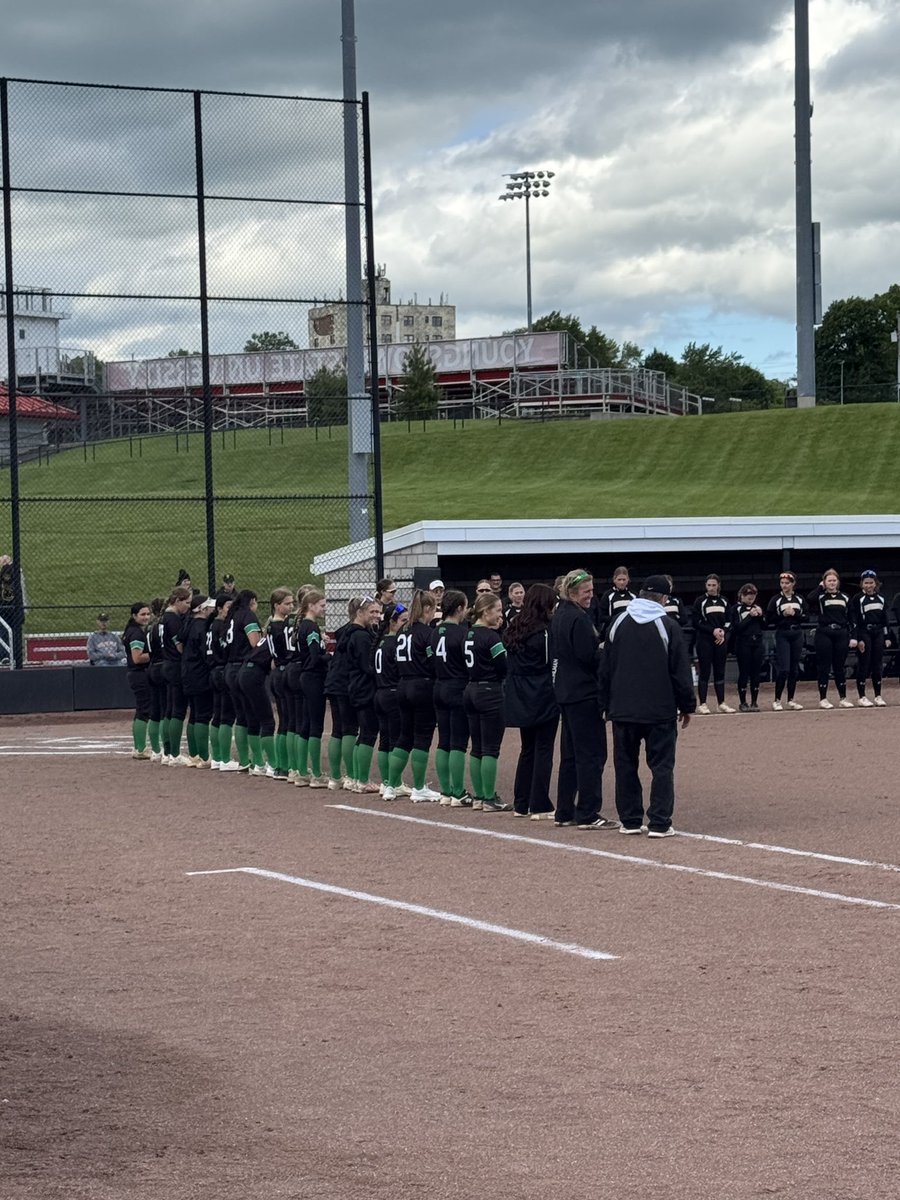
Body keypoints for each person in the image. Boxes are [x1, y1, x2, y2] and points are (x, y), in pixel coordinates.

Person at [598, 574, 695, 838]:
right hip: (659, 711)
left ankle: (630, 820)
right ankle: (660, 822)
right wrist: (688, 705)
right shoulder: (668, 626)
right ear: (664, 599)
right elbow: (680, 671)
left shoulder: (617, 622)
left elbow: (605, 668)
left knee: (625, 765)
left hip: (623, 709)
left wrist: (604, 704)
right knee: (662, 766)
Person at [550, 568, 618, 830]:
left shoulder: (560, 615)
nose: (591, 595)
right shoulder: (577, 618)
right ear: (573, 592)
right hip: (582, 693)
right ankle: (588, 812)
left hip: (566, 692)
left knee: (570, 754)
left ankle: (565, 810)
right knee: (591, 754)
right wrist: (603, 652)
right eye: (586, 591)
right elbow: (588, 657)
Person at [503, 583, 559, 819]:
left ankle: (521, 802)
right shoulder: (543, 632)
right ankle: (539, 803)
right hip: (542, 692)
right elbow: (551, 664)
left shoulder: (515, 627)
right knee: (543, 749)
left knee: (528, 749)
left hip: (520, 692)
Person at [388, 589, 440, 802]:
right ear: (427, 609)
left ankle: (391, 785)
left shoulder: (402, 631)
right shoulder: (427, 633)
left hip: (403, 684)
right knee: (422, 738)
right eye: (434, 609)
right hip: (422, 685)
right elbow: (432, 662)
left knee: (404, 736)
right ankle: (419, 787)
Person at [464, 592, 511, 812]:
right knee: (491, 748)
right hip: (489, 691)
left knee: (477, 747)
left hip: (471, 688)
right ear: (486, 611)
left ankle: (479, 795)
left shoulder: (469, 633)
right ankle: (489, 797)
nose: (500, 614)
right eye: (498, 610)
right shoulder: (491, 637)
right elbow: (503, 666)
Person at [430, 589, 470, 805]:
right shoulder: (461, 632)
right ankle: (458, 791)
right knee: (458, 743)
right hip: (457, 687)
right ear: (459, 608)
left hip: (439, 686)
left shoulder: (434, 632)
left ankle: (445, 791)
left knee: (443, 740)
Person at [345, 596, 383, 793]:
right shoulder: (360, 636)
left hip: (358, 687)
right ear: (360, 613)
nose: (376, 616)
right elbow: (367, 666)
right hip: (364, 688)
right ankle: (362, 779)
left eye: (378, 612)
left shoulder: (356, 633)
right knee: (368, 733)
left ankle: (358, 777)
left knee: (364, 734)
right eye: (372, 612)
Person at [295, 588, 329, 788]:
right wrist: (329, 656)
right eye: (322, 605)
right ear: (311, 606)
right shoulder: (311, 627)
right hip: (313, 677)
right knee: (315, 724)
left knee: (306, 724)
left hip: (304, 676)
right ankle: (316, 773)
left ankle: (301, 772)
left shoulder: (303, 626)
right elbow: (315, 657)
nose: (324, 609)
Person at [374, 602, 409, 797]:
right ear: (393, 622)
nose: (406, 624)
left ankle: (387, 780)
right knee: (395, 739)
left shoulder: (381, 641)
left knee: (385, 740)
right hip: (392, 693)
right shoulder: (396, 642)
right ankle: (394, 783)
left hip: (380, 693)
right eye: (403, 620)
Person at [807, 568, 853, 709]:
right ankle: (823, 698)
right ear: (825, 582)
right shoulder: (821, 596)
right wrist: (820, 587)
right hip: (824, 632)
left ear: (838, 582)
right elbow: (809, 599)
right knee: (824, 667)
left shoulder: (845, 597)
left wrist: (853, 636)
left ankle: (843, 697)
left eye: (834, 580)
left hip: (841, 633)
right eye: (829, 580)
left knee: (839, 666)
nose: (832, 583)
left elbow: (851, 617)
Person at [181, 593, 216, 766]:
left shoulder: (189, 624)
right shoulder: (201, 627)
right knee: (202, 715)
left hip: (188, 672)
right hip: (200, 673)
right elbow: (206, 652)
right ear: (202, 609)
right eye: (209, 606)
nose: (212, 608)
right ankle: (203, 756)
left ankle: (195, 755)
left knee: (194, 714)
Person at [692, 574, 735, 714]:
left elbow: (729, 620)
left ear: (718, 586)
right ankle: (703, 703)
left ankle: (721, 703)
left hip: (720, 640)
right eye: (709, 585)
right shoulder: (700, 601)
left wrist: (723, 631)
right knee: (704, 672)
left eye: (713, 585)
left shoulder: (724, 601)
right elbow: (696, 622)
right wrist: (713, 630)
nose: (711, 588)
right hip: (705, 641)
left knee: (720, 672)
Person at [766, 571, 807, 711]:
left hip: (796, 633)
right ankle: (777, 699)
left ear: (793, 584)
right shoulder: (776, 599)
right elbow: (769, 619)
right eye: (782, 583)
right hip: (783, 633)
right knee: (784, 669)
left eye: (787, 583)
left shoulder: (800, 599)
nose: (784, 586)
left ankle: (791, 699)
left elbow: (806, 617)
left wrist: (795, 614)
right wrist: (782, 615)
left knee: (794, 669)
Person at [160, 585, 193, 763]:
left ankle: (167, 752)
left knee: (169, 710)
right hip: (175, 665)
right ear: (178, 601)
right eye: (186, 602)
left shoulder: (163, 617)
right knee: (177, 711)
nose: (188, 606)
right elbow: (180, 646)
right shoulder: (172, 619)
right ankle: (174, 754)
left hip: (166, 664)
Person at [850, 569, 891, 707]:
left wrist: (887, 636)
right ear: (862, 584)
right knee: (864, 663)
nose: (868, 585)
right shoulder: (857, 599)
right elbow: (854, 619)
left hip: (878, 632)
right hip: (864, 632)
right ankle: (862, 696)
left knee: (877, 664)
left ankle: (878, 695)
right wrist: (857, 638)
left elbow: (885, 619)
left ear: (875, 583)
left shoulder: (882, 599)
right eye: (866, 583)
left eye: (871, 583)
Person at [208, 591, 237, 770]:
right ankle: (225, 759)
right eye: (228, 607)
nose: (231, 610)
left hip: (213, 670)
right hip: (222, 669)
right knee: (226, 716)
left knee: (217, 715)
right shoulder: (221, 626)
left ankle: (217, 757)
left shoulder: (212, 625)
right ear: (219, 609)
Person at [123, 602, 153, 759]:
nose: (146, 617)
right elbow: (137, 658)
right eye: (142, 614)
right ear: (134, 616)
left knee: (141, 710)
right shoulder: (136, 633)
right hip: (139, 673)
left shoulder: (132, 631)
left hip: (135, 674)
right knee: (144, 710)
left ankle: (139, 747)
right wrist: (156, 654)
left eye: (148, 614)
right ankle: (140, 748)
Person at [729, 583, 765, 712]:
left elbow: (765, 626)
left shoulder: (757, 608)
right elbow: (736, 628)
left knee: (756, 673)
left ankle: (754, 701)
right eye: (747, 594)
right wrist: (750, 616)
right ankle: (743, 702)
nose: (750, 597)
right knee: (744, 672)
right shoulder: (736, 609)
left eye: (753, 595)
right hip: (743, 643)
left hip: (757, 642)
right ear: (741, 595)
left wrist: (760, 616)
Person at [592, 566, 634, 642]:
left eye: (624, 579)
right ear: (614, 580)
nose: (622, 582)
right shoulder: (608, 595)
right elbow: (601, 616)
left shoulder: (633, 596)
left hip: (630, 631)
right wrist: (617, 619)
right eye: (619, 579)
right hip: (613, 631)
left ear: (628, 580)